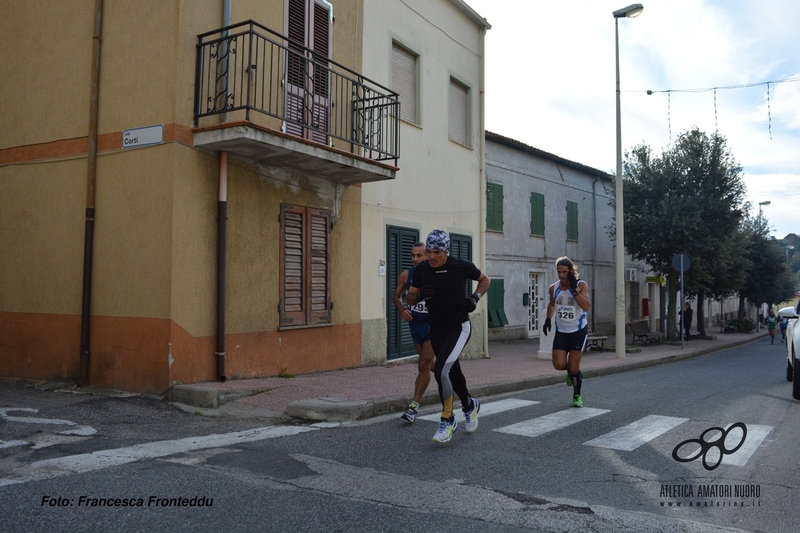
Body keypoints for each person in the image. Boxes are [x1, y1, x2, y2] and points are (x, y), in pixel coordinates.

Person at [407, 229, 490, 443]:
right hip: (436, 329)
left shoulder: (461, 266)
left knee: (441, 369)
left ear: (446, 251)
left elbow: (485, 280)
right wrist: (418, 296)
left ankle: (447, 418)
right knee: (452, 372)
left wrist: (475, 297)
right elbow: (410, 298)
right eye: (429, 252)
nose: (432, 257)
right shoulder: (423, 270)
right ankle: (469, 405)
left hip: (459, 327)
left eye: (436, 252)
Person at [393, 242, 435, 423]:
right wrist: (402, 310)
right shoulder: (406, 275)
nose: (415, 259)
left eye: (419, 255)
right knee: (427, 365)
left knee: (423, 363)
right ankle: (447, 375)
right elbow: (396, 297)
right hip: (415, 324)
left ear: (428, 256)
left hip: (433, 325)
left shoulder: (436, 275)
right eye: (413, 255)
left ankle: (414, 407)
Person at [542, 257, 591, 408]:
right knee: (559, 364)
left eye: (564, 272)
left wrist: (575, 289)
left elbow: (586, 306)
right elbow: (551, 305)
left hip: (578, 331)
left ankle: (577, 395)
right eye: (559, 272)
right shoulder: (554, 288)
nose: (561, 275)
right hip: (562, 332)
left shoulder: (581, 285)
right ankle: (573, 373)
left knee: (574, 364)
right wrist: (548, 320)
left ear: (570, 271)